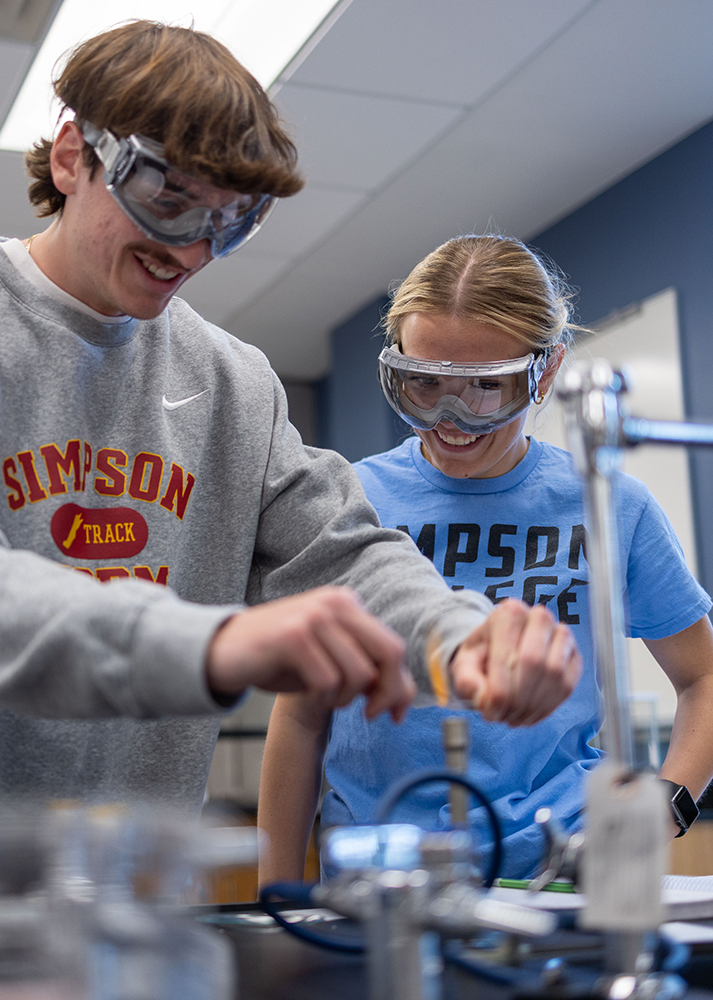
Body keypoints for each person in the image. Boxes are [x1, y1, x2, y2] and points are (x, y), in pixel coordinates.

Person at [0, 27, 579, 807]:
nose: (192, 252)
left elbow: (344, 555)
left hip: (141, 887)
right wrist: (216, 643)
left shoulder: (233, 383)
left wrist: (464, 634)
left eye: (230, 224)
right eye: (168, 201)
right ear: (72, 156)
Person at [258, 234, 713, 883]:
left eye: (483, 390)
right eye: (422, 384)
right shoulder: (350, 500)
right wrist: (274, 898)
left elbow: (704, 678)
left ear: (546, 372)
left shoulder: (608, 503)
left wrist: (668, 803)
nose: (448, 417)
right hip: (382, 878)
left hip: (564, 867)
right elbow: (302, 716)